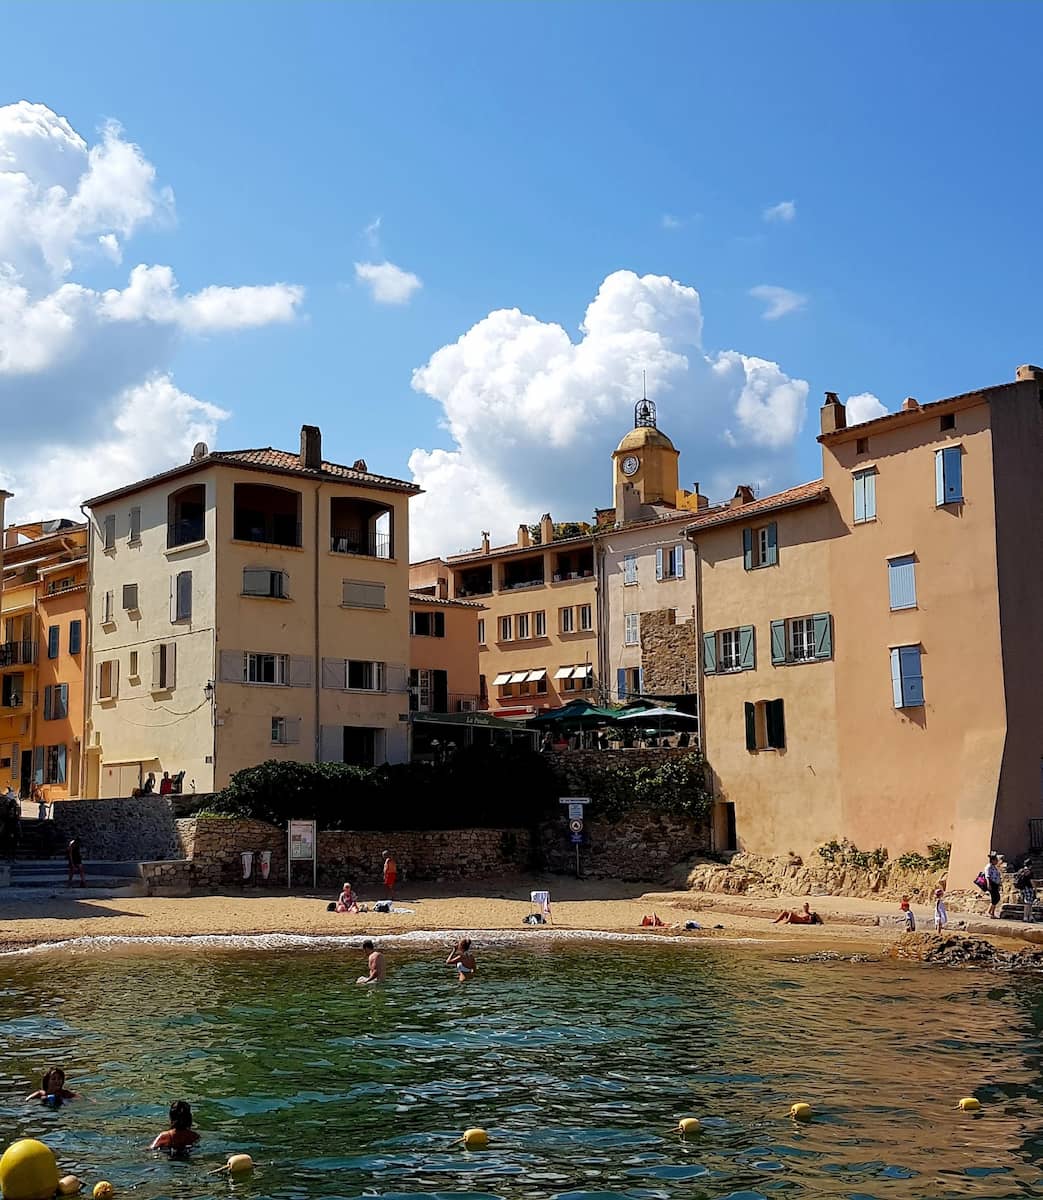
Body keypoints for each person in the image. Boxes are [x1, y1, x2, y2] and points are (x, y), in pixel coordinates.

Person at [985, 852, 1002, 919]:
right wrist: (988, 884)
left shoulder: (994, 867)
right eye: (996, 860)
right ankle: (988, 912)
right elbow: (987, 876)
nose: (997, 861)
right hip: (992, 883)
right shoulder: (988, 867)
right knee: (994, 898)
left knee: (996, 898)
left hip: (995, 884)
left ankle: (992, 912)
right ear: (992, 860)